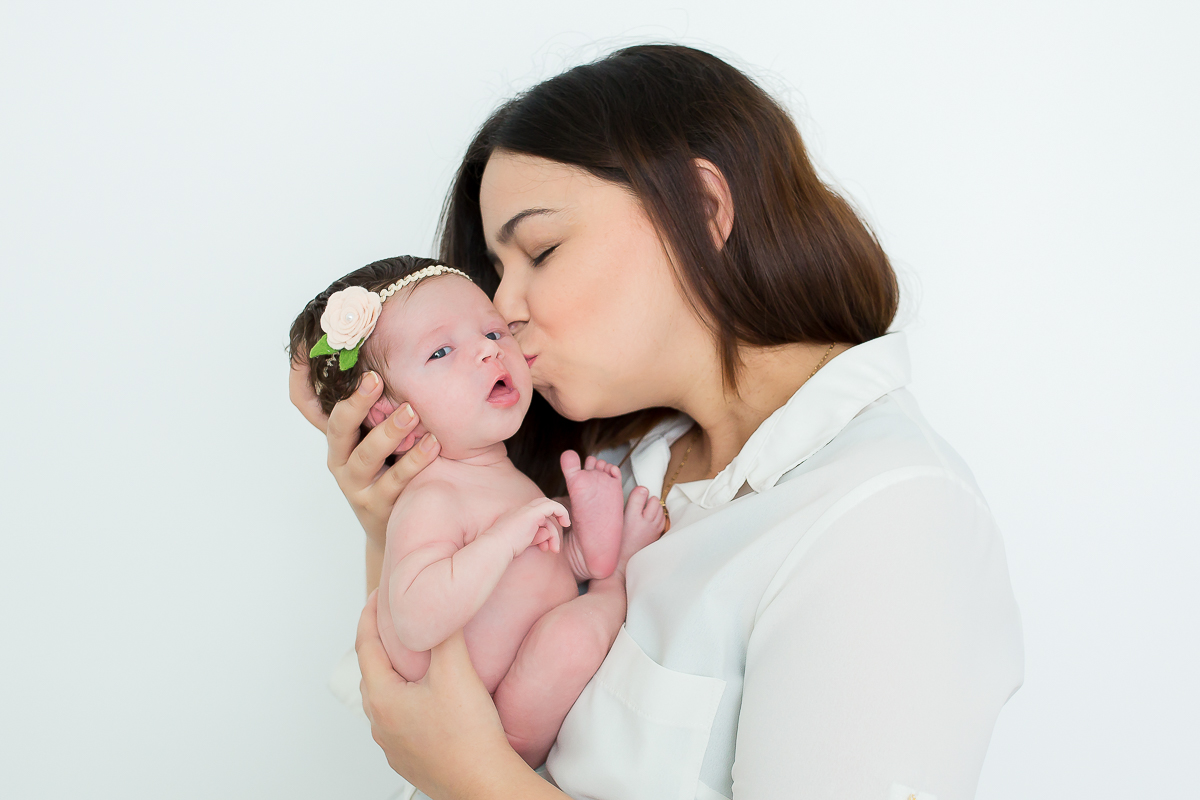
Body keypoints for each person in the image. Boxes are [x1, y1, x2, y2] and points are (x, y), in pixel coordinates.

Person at [290, 44, 1024, 800]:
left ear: (704, 209)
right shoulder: (619, 462)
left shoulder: (888, 520)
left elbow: (450, 753)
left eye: (540, 249)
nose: (502, 312)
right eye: (497, 275)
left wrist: (477, 778)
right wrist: (394, 509)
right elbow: (429, 698)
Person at [288, 256, 663, 768]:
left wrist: (587, 530)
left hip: (516, 699)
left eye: (492, 331)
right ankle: (615, 585)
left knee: (568, 628)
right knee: (571, 639)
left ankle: (611, 573)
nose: (489, 350)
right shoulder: (432, 499)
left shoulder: (505, 480)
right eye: (441, 351)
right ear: (388, 414)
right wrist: (507, 537)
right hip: (490, 730)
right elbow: (419, 619)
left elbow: (554, 570)